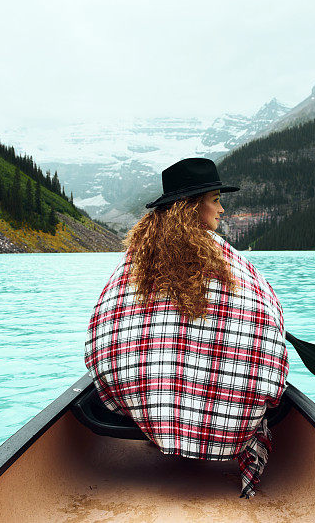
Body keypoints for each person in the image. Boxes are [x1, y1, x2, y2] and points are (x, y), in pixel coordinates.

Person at [84, 157, 289, 498]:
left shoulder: (137, 260)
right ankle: (201, 423)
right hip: (223, 421)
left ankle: (162, 420)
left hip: (143, 403)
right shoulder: (229, 262)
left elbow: (101, 330)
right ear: (192, 207)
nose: (222, 210)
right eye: (216, 200)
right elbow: (266, 323)